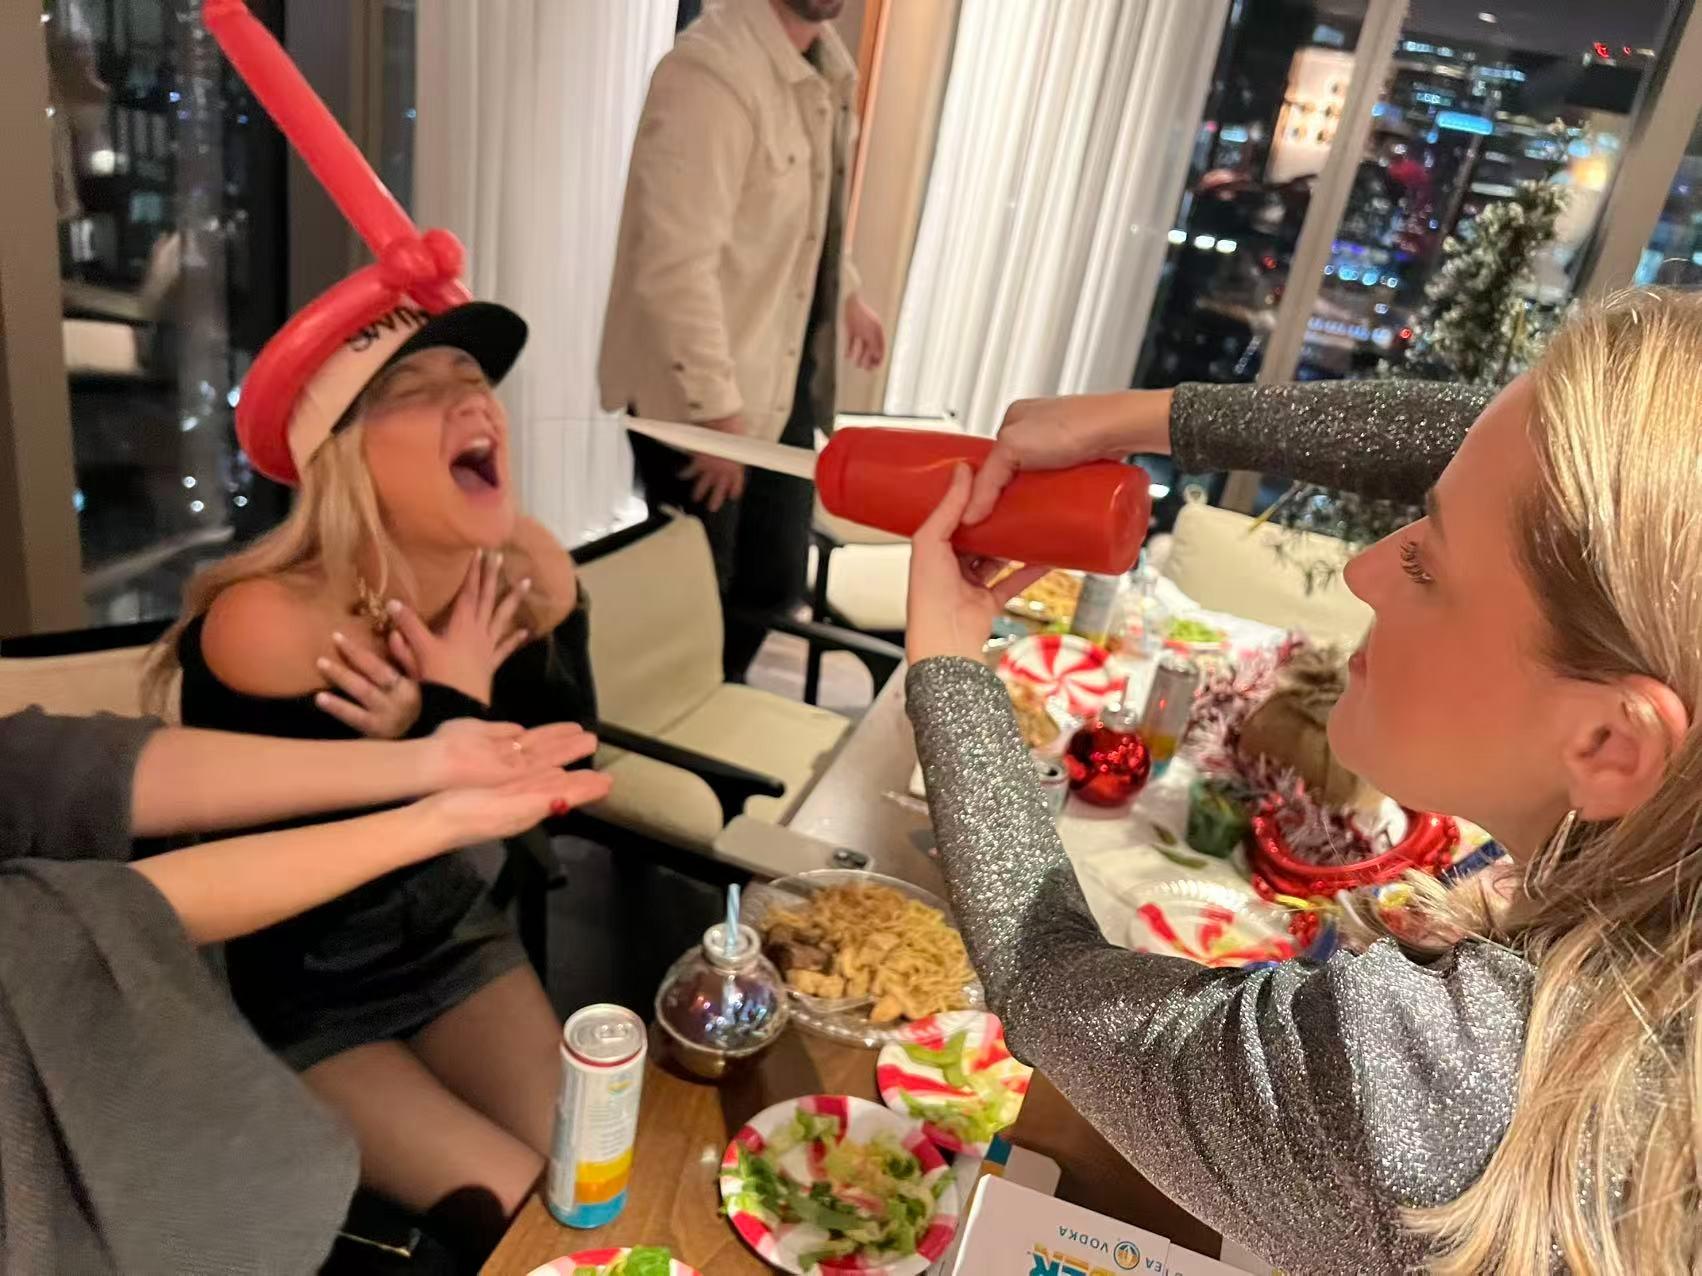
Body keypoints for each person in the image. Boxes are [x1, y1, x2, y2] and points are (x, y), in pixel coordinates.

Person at [902, 288, 1702, 1274]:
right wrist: (1137, 419)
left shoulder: (1449, 1097)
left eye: (1427, 565)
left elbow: (1050, 986)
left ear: (1609, 744)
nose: (1366, 569)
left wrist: (950, 662)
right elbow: (1517, 456)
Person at [142, 300, 598, 1255]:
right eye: (414, 389)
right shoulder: (271, 623)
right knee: (521, 1217)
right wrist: (440, 721)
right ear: (344, 455)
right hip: (300, 983)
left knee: (591, 1173)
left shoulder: (528, 571)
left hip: (447, 935)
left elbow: (565, 780)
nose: (470, 400)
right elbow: (296, 878)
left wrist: (427, 725)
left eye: (472, 380)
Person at [0, 709, 605, 1275]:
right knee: (547, 1226)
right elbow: (74, 922)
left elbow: (56, 770)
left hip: (424, 930)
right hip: (298, 993)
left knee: (594, 1189)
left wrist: (430, 759)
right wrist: (433, 798)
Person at [600, 0, 885, 681]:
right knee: (694, 596)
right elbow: (673, 267)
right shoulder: (712, 74)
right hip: (698, 397)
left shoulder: (824, 68)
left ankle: (712, 699)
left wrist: (847, 292)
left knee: (773, 579)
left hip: (776, 378)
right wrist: (716, 419)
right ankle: (672, 719)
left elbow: (807, 219)